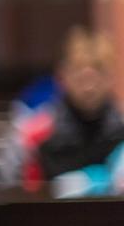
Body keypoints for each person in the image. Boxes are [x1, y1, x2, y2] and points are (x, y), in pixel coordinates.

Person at [33, 27, 124, 192]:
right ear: (62, 75)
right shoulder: (36, 131)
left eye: (98, 74)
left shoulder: (122, 129)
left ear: (111, 77)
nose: (89, 86)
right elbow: (15, 193)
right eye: (79, 74)